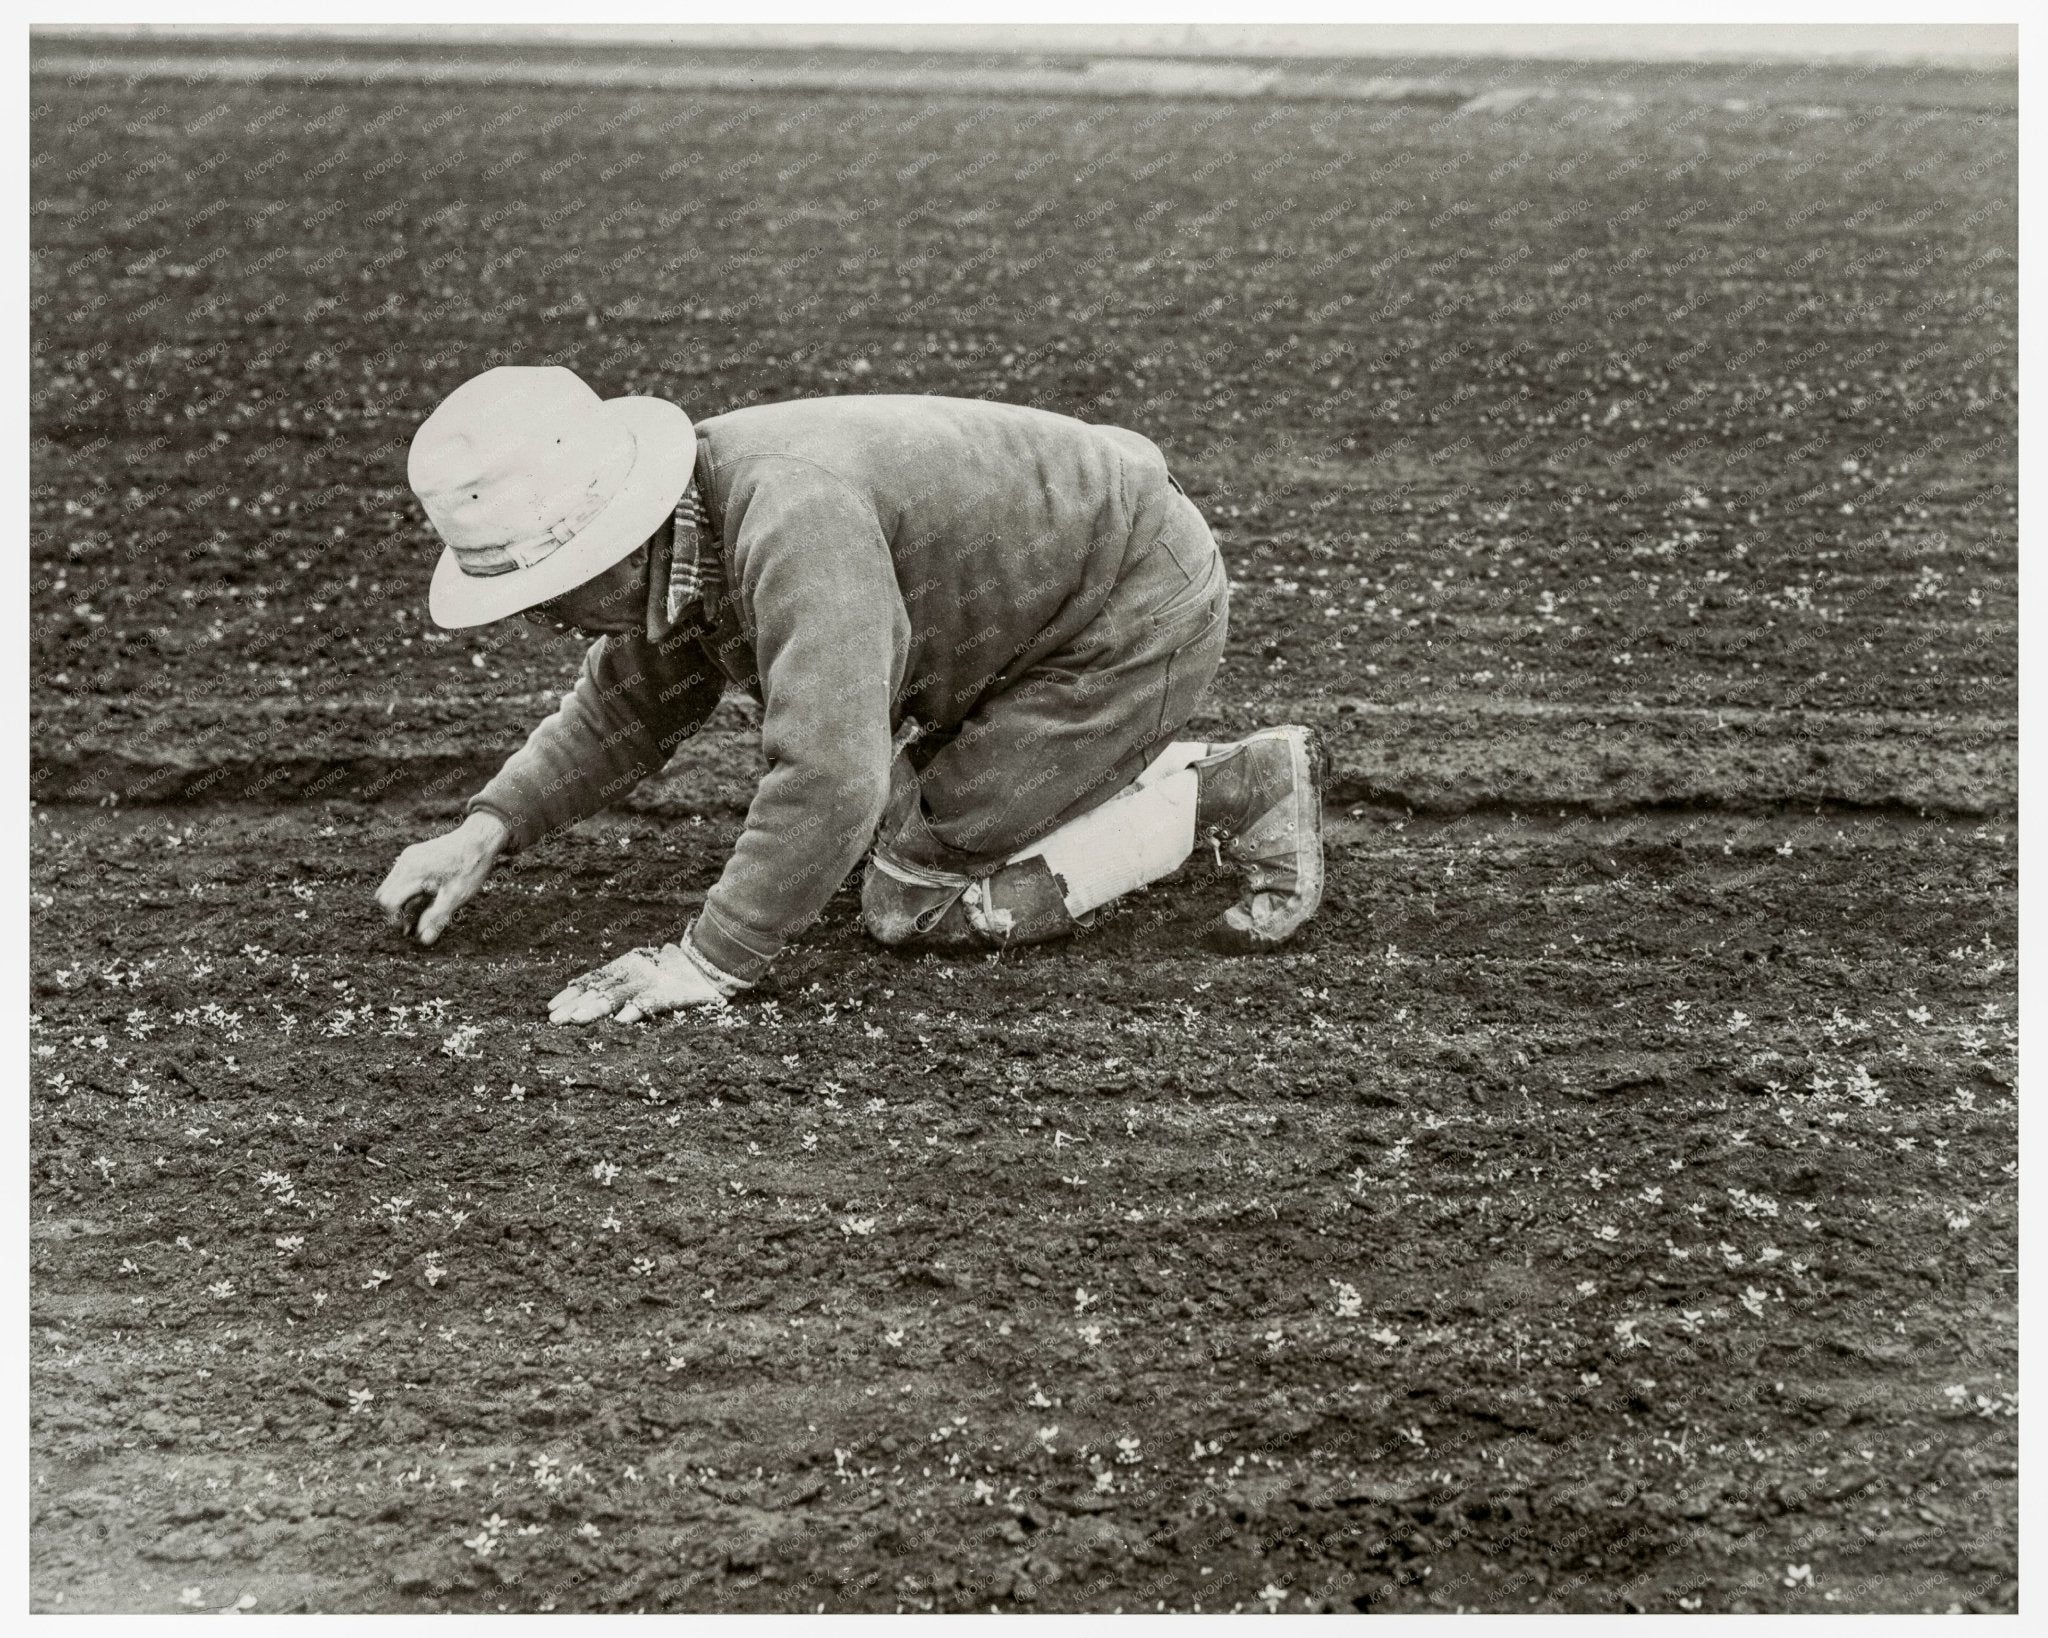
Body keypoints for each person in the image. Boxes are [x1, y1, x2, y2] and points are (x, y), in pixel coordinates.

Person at [374, 365, 1324, 1025]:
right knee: (872, 829)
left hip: (1123, 619)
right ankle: (1086, 776)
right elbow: (625, 707)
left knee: (915, 901)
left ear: (615, 541)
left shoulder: (791, 523)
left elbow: (829, 772)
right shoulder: (691, 527)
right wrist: (486, 830)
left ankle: (1237, 787)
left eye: (545, 593)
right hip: (1035, 615)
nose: (545, 622)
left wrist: (707, 962)